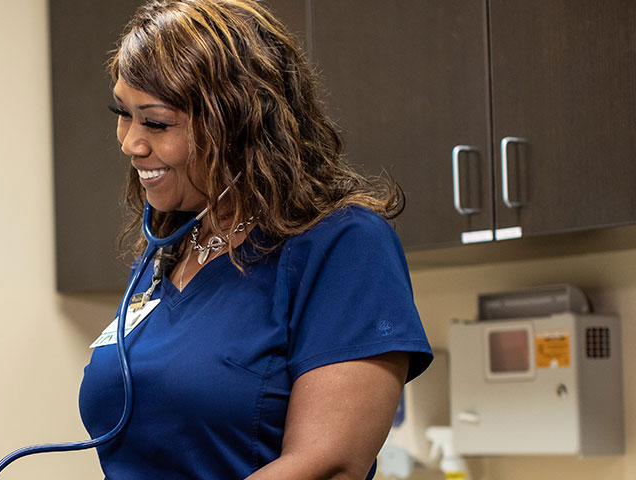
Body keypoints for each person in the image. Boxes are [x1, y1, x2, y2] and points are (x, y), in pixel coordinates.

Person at [78, 1, 434, 479]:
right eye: (123, 113)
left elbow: (328, 465)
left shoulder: (344, 246)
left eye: (156, 122)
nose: (130, 143)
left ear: (239, 122)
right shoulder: (169, 251)